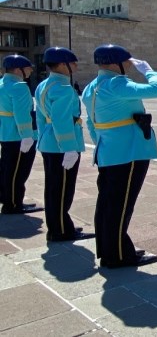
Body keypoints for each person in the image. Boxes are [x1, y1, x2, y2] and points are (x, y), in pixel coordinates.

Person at [82, 44, 157, 267]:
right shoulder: (116, 83)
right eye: (127, 62)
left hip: (108, 151)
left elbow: (93, 125)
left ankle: (113, 248)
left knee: (108, 203)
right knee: (121, 206)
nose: (129, 67)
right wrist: (149, 71)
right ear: (114, 62)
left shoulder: (92, 87)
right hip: (128, 152)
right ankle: (118, 255)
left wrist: (105, 143)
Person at [35, 47, 93, 241]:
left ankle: (59, 227)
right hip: (62, 146)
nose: (75, 66)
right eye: (72, 63)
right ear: (61, 65)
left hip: (49, 142)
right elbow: (61, 120)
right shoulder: (63, 89)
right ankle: (60, 231)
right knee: (62, 190)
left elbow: (42, 119)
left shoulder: (43, 85)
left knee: (53, 189)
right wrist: (69, 147)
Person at [0, 55, 42, 214]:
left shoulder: (2, 84)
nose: (31, 70)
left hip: (6, 134)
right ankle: (13, 204)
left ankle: (8, 199)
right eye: (28, 67)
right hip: (18, 136)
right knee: (17, 172)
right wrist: (26, 136)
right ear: (18, 70)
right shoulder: (19, 86)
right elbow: (22, 114)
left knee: (7, 169)